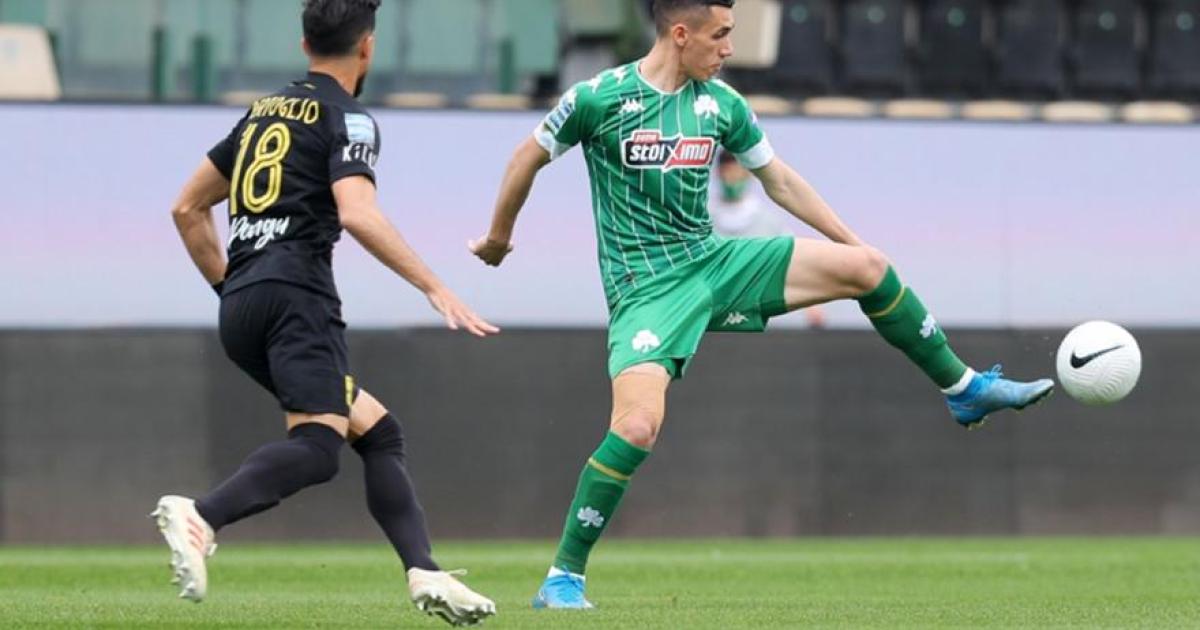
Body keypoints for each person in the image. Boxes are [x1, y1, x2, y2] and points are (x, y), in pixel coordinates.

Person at [470, 0, 1053, 610]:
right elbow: (525, 157)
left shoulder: (722, 105)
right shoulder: (599, 98)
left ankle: (963, 388)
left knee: (869, 269)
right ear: (680, 33)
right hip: (647, 290)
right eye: (720, 35)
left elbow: (780, 181)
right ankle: (564, 577)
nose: (728, 48)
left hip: (714, 263)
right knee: (638, 427)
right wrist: (499, 238)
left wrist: (854, 245)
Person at [157, 1, 496, 625]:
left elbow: (187, 208)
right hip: (298, 298)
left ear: (304, 43)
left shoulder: (262, 113)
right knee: (317, 447)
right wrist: (433, 285)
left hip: (241, 303)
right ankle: (201, 514)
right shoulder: (349, 117)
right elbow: (357, 213)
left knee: (378, 432)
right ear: (367, 47)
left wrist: (234, 288)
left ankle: (424, 571)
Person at [711, 149, 825, 327]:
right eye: (728, 173)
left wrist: (812, 307)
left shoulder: (769, 221)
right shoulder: (702, 219)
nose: (732, 179)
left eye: (738, 172)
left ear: (748, 173)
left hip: (759, 317)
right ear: (718, 173)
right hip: (712, 316)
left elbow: (795, 260)